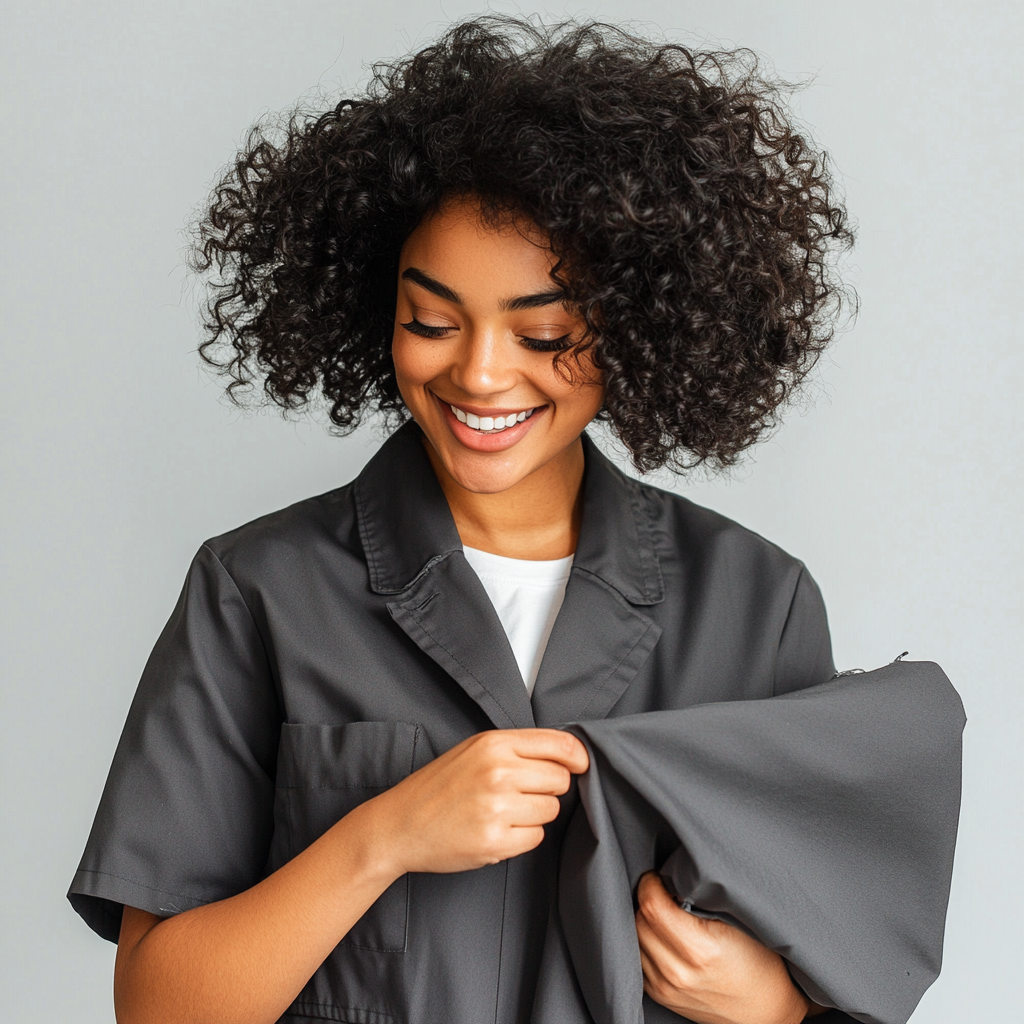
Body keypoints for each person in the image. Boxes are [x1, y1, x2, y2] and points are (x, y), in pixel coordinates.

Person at [69, 16, 862, 1024]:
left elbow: (842, 946)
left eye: (544, 333)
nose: (480, 372)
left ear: (641, 325)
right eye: (432, 322)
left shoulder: (758, 604)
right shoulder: (258, 590)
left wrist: (775, 1006)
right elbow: (159, 1009)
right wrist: (384, 835)